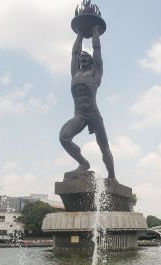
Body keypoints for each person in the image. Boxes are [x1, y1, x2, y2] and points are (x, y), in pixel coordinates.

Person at [59, 24, 116, 182]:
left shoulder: (95, 74)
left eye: (86, 58)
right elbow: (74, 52)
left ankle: (112, 177)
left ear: (91, 61)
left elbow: (97, 50)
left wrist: (95, 31)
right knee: (64, 137)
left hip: (93, 114)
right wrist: (79, 34)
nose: (82, 59)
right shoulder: (75, 74)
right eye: (81, 59)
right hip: (80, 115)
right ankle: (83, 164)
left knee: (103, 146)